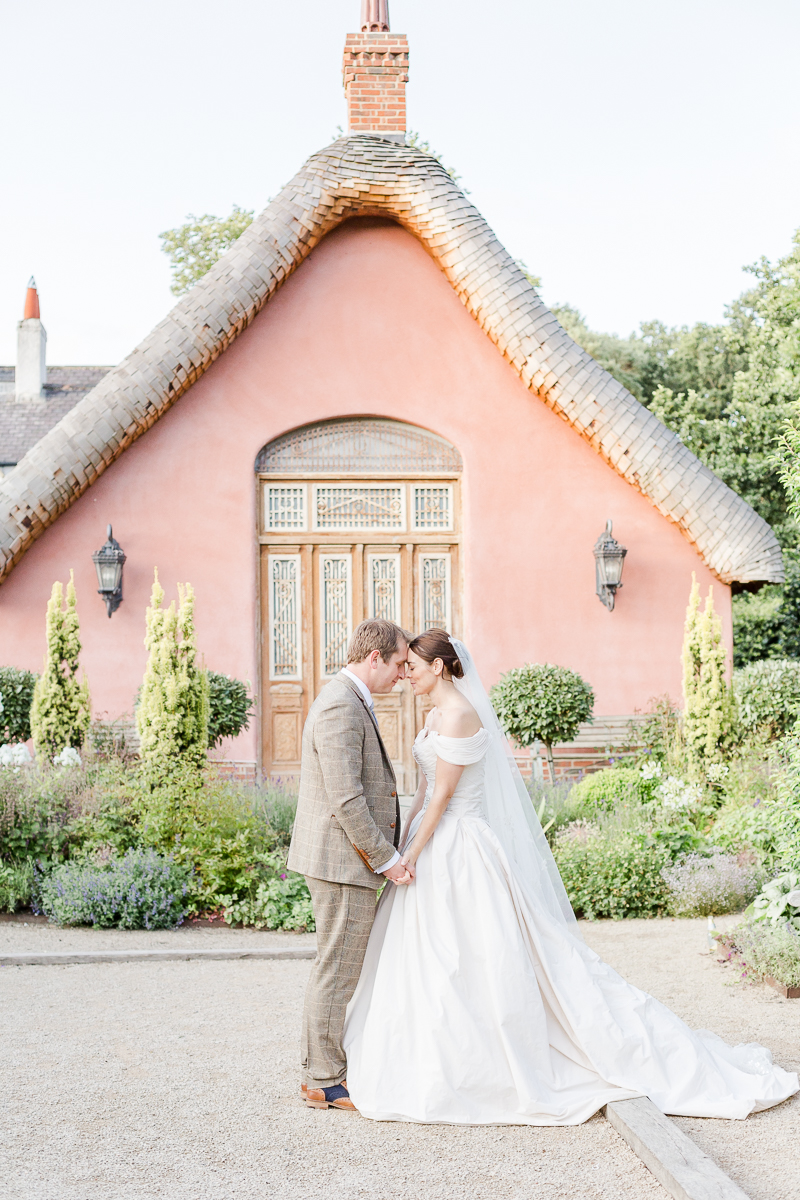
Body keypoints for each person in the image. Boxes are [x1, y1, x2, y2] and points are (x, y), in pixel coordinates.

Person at [342, 629, 799, 1124]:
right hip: (430, 844)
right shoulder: (432, 716)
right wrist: (399, 850)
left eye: (412, 665)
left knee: (481, 949)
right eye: (403, 665)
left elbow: (444, 799)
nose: (405, 673)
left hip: (462, 848)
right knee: (433, 954)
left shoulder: (459, 715)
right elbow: (421, 794)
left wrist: (415, 851)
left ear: (440, 667)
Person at [287, 618, 413, 1112]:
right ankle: (321, 1078)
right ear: (375, 657)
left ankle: (325, 1068)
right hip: (344, 863)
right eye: (400, 664)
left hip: (346, 861)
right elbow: (345, 797)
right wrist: (387, 860)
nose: (403, 674)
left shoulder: (351, 699)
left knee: (338, 966)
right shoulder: (341, 704)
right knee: (336, 968)